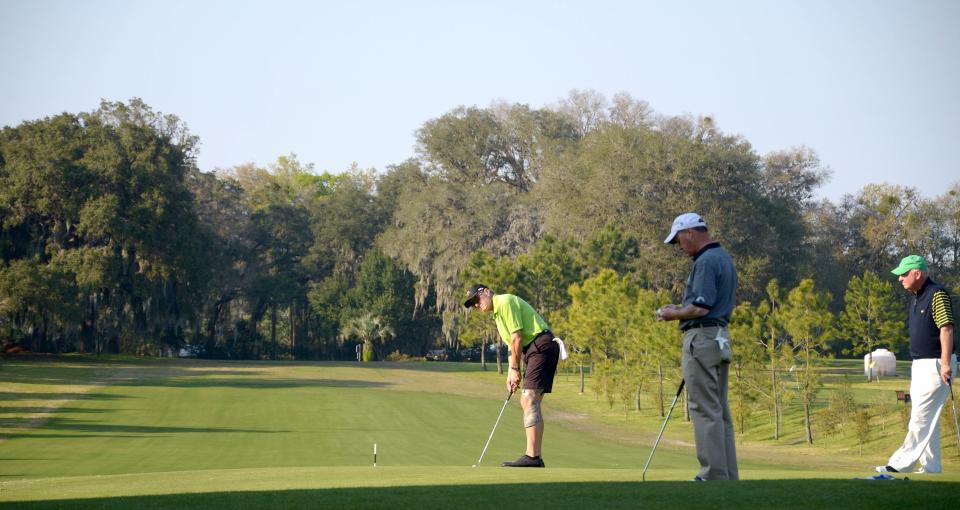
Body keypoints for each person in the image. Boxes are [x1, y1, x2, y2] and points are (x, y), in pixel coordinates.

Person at [655, 212, 739, 481]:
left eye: (678, 240)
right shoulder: (724, 257)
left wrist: (671, 314)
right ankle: (726, 474)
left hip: (702, 338)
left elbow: (701, 308)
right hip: (720, 337)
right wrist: (680, 309)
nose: (679, 247)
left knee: (704, 408)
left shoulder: (705, 261)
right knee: (719, 410)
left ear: (690, 232)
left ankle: (712, 474)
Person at [464, 284, 562, 467]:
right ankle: (534, 457)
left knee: (528, 399)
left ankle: (533, 457)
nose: (477, 305)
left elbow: (517, 337)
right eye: (473, 304)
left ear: (485, 292)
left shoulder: (505, 301)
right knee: (530, 401)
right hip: (533, 349)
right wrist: (511, 372)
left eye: (476, 300)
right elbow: (511, 345)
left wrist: (515, 368)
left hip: (541, 344)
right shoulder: (497, 315)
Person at [876, 255, 956, 474]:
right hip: (920, 365)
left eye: (904, 274)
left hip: (937, 364)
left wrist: (947, 363)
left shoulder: (936, 294)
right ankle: (931, 467)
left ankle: (898, 464)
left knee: (920, 417)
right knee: (929, 419)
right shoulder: (917, 297)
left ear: (917, 273)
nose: (900, 279)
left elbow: (946, 328)